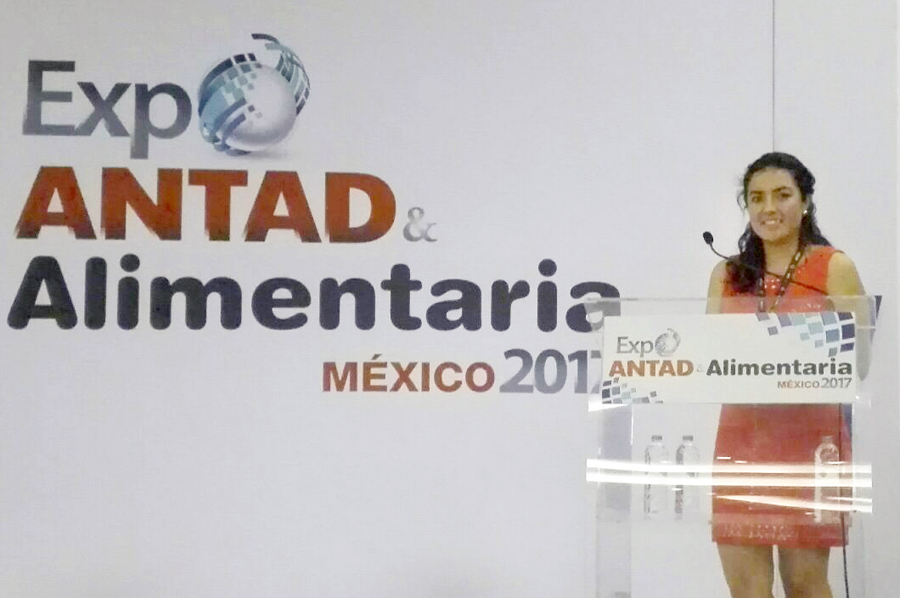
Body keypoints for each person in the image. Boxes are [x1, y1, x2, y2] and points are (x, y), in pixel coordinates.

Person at [706, 152, 866, 598]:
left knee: (805, 585)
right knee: (747, 589)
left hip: (810, 445)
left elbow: (859, 360)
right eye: (756, 198)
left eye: (782, 195)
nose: (768, 208)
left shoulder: (832, 266)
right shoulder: (727, 273)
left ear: (805, 201)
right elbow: (706, 360)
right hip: (741, 444)